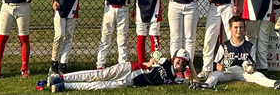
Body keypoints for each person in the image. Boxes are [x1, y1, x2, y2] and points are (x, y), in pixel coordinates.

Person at [190, 16, 280, 90]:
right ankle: (205, 85)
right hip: (228, 72)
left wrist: (249, 68)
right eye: (236, 27)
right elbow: (218, 65)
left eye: (241, 27)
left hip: (243, 72)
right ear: (230, 29)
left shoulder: (249, 46)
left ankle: (276, 83)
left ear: (245, 30)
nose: (238, 30)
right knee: (214, 75)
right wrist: (220, 68)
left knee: (258, 75)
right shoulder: (224, 46)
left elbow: (252, 66)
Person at [42, 48, 191, 92]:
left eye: (183, 63)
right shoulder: (165, 61)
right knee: (98, 75)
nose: (179, 63)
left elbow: (193, 81)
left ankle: (65, 86)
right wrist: (150, 61)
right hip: (129, 68)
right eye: (178, 59)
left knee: (99, 86)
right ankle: (61, 77)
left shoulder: (175, 79)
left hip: (131, 83)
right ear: (173, 58)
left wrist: (190, 65)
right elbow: (150, 61)